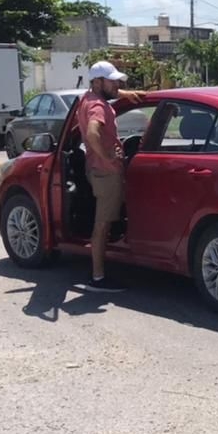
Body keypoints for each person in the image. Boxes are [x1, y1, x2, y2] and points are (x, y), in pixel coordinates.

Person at [75, 61, 141, 292]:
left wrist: (127, 94)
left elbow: (105, 94)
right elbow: (93, 133)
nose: (117, 84)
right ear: (98, 82)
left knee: (106, 221)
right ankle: (98, 277)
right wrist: (108, 157)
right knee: (102, 225)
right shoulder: (98, 107)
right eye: (112, 80)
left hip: (95, 169)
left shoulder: (87, 98)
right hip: (106, 172)